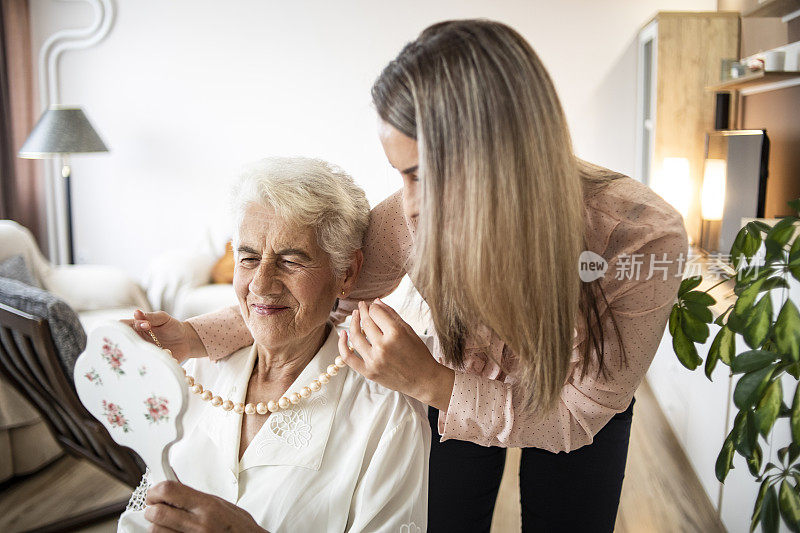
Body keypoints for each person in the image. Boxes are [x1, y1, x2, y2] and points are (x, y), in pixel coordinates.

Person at [132, 20, 688, 532]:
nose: (410, 207)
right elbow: (317, 293)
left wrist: (430, 382)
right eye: (400, 175)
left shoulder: (640, 241)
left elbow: (573, 415)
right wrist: (197, 336)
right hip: (454, 381)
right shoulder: (407, 217)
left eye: (424, 175)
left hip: (569, 405)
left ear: (501, 160)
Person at [119, 157, 430, 533]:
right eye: (248, 258)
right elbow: (141, 515)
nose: (261, 285)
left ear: (345, 274)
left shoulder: (386, 413)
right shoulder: (197, 368)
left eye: (290, 261)